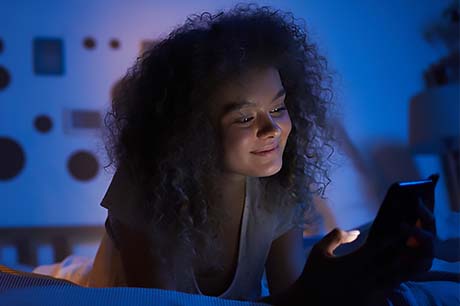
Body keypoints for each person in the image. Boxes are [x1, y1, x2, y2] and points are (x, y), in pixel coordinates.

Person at [86, 4, 443, 305]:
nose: (271, 129)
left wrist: (357, 275)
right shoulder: (147, 185)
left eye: (278, 108)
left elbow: (291, 296)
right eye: (244, 117)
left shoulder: (280, 188)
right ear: (191, 132)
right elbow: (161, 304)